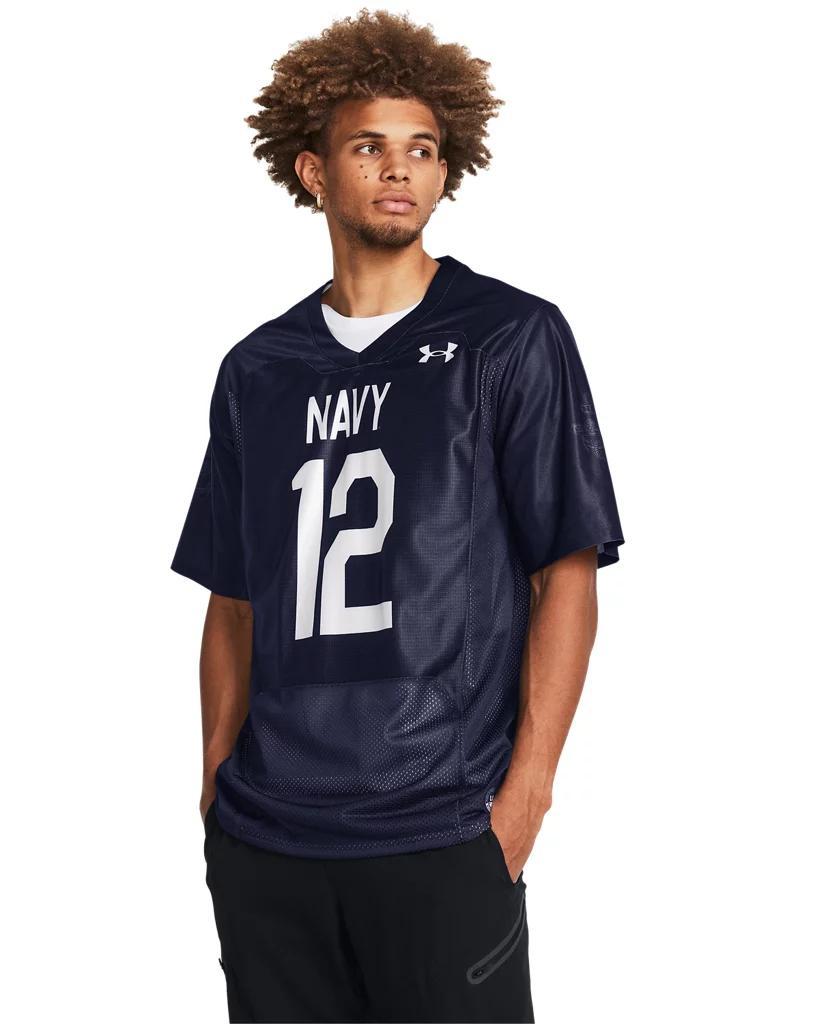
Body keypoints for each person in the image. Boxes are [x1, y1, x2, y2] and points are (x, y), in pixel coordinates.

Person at [170, 9, 625, 1023]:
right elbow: (232, 601)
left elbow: (565, 572)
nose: (398, 170)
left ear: (445, 170)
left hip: (441, 831)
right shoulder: (257, 370)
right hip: (268, 844)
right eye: (368, 146)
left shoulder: (509, 337)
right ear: (312, 171)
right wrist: (215, 788)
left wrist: (524, 798)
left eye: (421, 149)